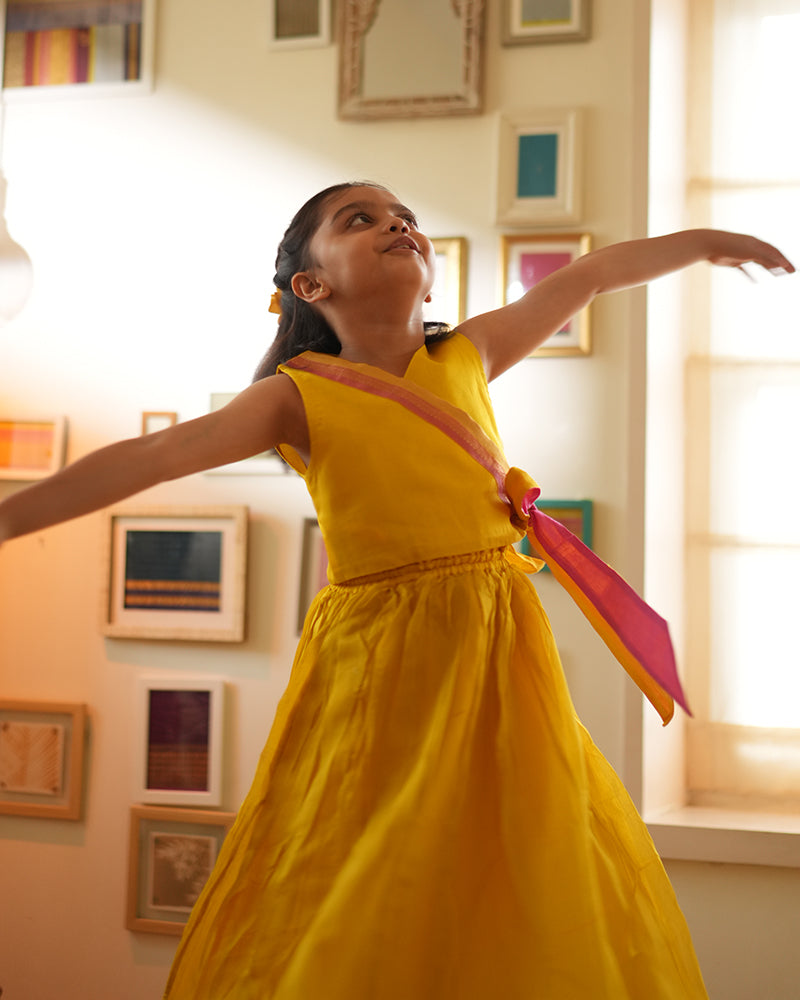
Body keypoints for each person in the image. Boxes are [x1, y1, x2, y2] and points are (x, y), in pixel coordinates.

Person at [0, 181, 793, 999]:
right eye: (362, 220)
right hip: (384, 655)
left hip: (494, 642)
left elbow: (586, 277)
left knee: (512, 839)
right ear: (311, 286)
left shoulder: (468, 355)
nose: (398, 226)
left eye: (405, 218)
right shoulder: (296, 395)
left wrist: (703, 242)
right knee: (381, 848)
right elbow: (155, 457)